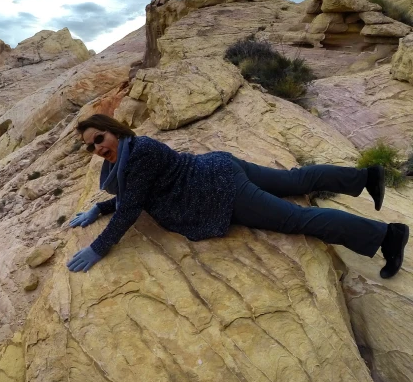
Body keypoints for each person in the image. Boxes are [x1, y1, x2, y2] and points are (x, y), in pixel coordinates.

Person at [66, 114, 409, 278]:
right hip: (218, 167)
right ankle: (366, 177)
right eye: (91, 146)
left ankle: (388, 236)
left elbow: (132, 207)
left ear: (116, 131)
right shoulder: (131, 153)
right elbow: (139, 194)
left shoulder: (138, 154)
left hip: (220, 190)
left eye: (100, 139)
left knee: (297, 219)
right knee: (292, 181)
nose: (97, 149)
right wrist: (100, 207)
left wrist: (98, 248)